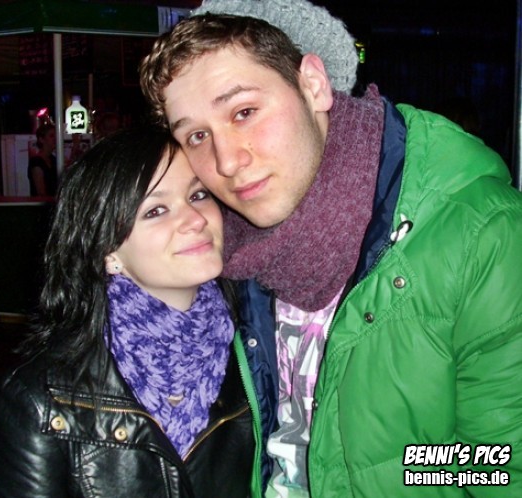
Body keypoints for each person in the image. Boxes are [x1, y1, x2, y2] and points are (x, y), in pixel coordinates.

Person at [139, 0, 522, 496]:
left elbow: (501, 467)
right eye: (196, 136)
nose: (227, 161)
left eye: (244, 112)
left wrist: (401, 472)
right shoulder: (220, 254)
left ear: (314, 85)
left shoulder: (480, 234)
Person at [0, 126, 262, 498]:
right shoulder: (40, 401)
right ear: (108, 252)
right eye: (156, 210)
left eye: (198, 194)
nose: (195, 219)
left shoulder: (257, 357)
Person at [28, 123, 58, 196]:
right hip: (44, 202)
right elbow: (41, 193)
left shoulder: (53, 159)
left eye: (56, 136)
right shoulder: (36, 162)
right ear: (41, 139)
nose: (55, 139)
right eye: (51, 136)